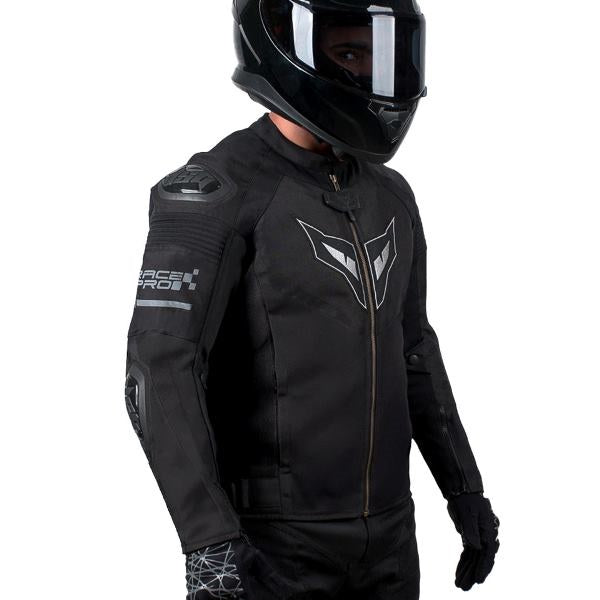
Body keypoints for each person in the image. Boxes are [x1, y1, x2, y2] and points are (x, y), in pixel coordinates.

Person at [124, 1, 500, 598]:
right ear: (280, 41)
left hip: (390, 544)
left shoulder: (391, 198)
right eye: (348, 53)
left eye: (378, 54)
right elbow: (159, 369)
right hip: (271, 550)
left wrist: (464, 489)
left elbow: (413, 352)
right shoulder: (218, 195)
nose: (368, 73)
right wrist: (207, 540)